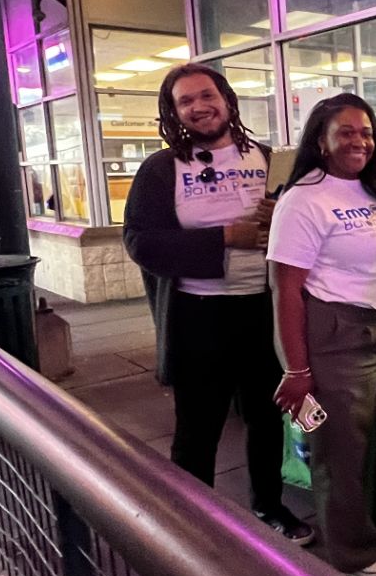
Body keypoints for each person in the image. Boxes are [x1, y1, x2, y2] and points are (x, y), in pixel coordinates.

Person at [122, 63, 307, 544]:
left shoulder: (271, 161)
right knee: (197, 427)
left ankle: (268, 506)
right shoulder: (161, 169)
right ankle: (192, 522)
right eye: (185, 101)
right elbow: (141, 242)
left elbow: (307, 228)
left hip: (263, 310)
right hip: (197, 316)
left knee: (266, 419)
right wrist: (226, 236)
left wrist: (283, 217)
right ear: (173, 112)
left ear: (227, 99)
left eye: (207, 95)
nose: (199, 107)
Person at [268, 93, 376, 576]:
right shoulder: (303, 199)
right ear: (321, 141)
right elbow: (285, 290)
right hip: (336, 335)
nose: (359, 141)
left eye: (367, 132)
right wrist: (296, 370)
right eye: (346, 132)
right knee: (340, 451)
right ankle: (353, 554)